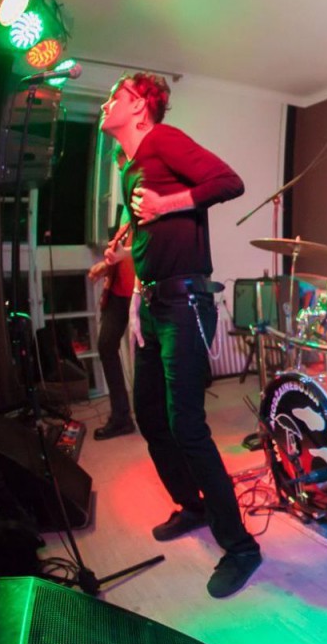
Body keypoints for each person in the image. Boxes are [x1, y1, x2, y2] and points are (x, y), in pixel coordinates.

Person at [98, 72, 262, 599]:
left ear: (140, 107)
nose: (106, 103)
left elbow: (229, 182)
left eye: (116, 96)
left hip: (186, 304)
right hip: (154, 305)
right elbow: (155, 235)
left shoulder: (163, 139)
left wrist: (167, 205)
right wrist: (133, 277)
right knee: (150, 415)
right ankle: (192, 505)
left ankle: (241, 547)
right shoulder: (131, 165)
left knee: (186, 424)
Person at [87, 215, 137, 440]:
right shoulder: (126, 221)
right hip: (118, 294)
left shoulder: (151, 213)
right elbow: (120, 255)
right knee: (106, 345)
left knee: (150, 353)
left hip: (141, 293)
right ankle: (121, 417)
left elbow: (149, 251)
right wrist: (105, 266)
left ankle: (161, 413)